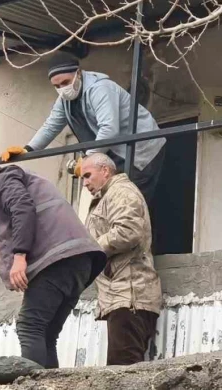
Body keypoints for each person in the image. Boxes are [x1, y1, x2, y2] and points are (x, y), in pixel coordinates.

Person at [0, 161, 106, 369]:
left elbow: (22, 207)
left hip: (58, 259)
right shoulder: (20, 181)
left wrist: (19, 256)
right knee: (47, 333)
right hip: (79, 261)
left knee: (29, 326)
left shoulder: (1, 180)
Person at [0, 52, 166, 206]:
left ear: (78, 73)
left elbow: (109, 128)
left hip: (141, 151)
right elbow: (51, 126)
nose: (62, 89)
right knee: (112, 205)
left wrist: (87, 160)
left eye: (65, 82)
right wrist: (27, 149)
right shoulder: (65, 100)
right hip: (114, 154)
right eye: (56, 86)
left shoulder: (100, 89)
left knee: (130, 205)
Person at [79, 153, 162, 365]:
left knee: (122, 373)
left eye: (88, 175)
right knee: (123, 372)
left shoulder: (121, 192)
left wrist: (91, 250)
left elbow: (128, 231)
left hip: (130, 296)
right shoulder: (108, 196)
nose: (85, 182)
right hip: (123, 297)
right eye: (82, 178)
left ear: (105, 170)